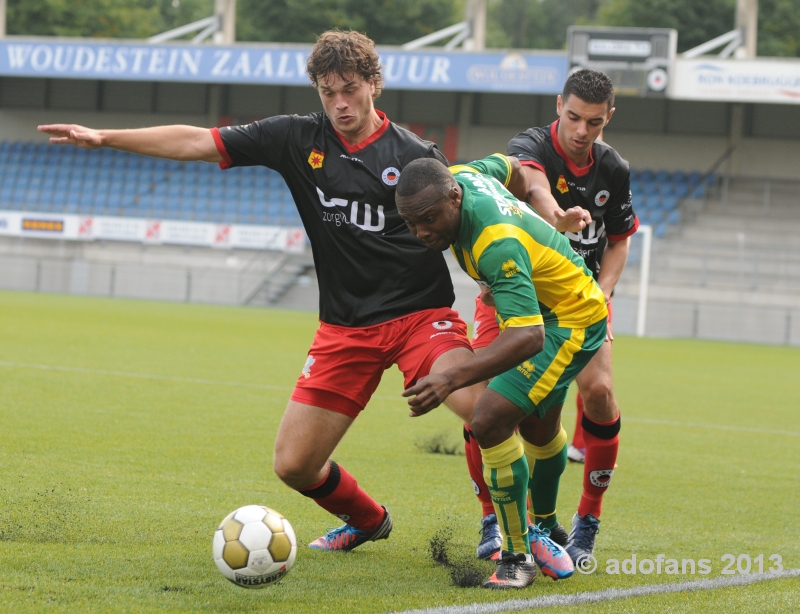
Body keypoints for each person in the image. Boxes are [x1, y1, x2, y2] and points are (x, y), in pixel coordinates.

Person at [38, 30, 487, 553]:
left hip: (419, 316)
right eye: (327, 92)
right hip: (345, 326)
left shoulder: (414, 155)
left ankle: (498, 523)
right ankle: (367, 519)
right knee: (294, 465)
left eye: (349, 89)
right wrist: (105, 137)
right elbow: (197, 142)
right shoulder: (296, 138)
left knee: (480, 408)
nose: (340, 103)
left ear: (374, 84)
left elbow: (464, 219)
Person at [396, 153, 608, 589]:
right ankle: (547, 527)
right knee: (538, 424)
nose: (422, 232)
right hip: (551, 305)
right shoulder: (464, 174)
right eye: (412, 222)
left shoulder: (496, 244)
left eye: (430, 219)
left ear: (454, 198)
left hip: (568, 320)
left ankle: (516, 556)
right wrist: (543, 218)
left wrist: (452, 377)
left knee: (489, 418)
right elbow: (518, 168)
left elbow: (528, 339)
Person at [473, 68, 638, 564]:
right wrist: (556, 217)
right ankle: (491, 518)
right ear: (558, 106)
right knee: (486, 405)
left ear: (608, 118)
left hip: (577, 303)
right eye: (572, 118)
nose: (581, 131)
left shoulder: (614, 169)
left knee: (601, 392)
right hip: (515, 296)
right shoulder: (530, 145)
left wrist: (602, 295)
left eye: (594, 122)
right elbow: (535, 184)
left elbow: (619, 240)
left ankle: (587, 518)